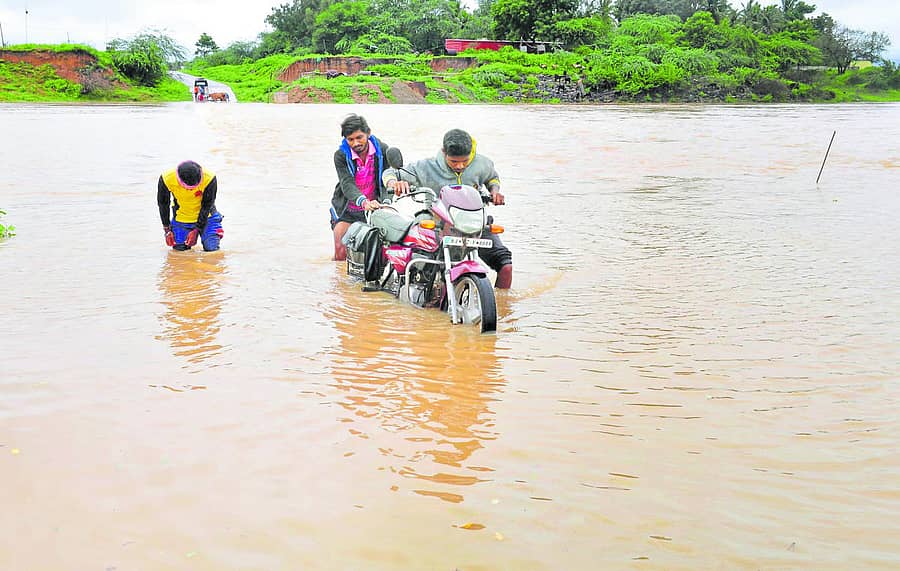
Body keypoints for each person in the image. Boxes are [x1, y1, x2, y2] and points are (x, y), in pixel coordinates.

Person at [382, 129, 513, 289]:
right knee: (426, 258)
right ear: (444, 153)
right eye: (454, 162)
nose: (460, 166)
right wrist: (394, 183)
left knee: (505, 266)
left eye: (464, 161)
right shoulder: (425, 166)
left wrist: (495, 191)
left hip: (473, 222)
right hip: (438, 222)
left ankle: (500, 307)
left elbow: (492, 177)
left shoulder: (481, 163)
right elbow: (391, 173)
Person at [330, 114, 397, 261]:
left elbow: (387, 178)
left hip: (375, 208)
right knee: (340, 252)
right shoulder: (340, 156)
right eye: (350, 140)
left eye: (359, 137)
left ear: (368, 133)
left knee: (379, 254)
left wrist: (385, 203)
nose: (355, 143)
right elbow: (346, 183)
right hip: (348, 209)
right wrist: (364, 202)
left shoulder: (383, 150)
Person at [157, 160, 224, 251]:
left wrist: (197, 230)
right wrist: (167, 230)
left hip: (208, 217)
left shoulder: (209, 178)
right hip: (181, 218)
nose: (190, 191)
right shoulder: (166, 179)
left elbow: (206, 206)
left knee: (211, 250)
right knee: (179, 252)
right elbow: (163, 204)